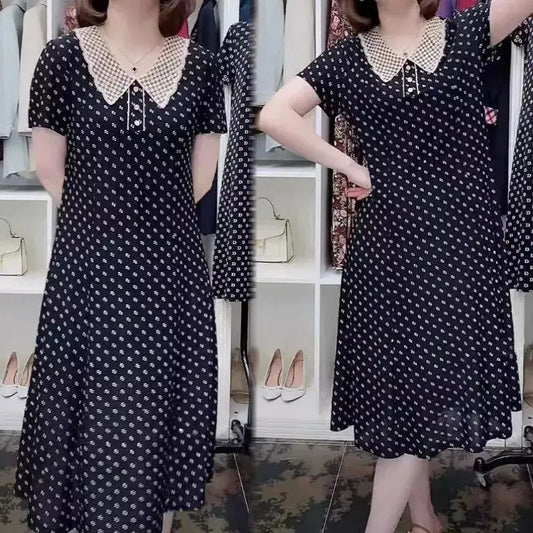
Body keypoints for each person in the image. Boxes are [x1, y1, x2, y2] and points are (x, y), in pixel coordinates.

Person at [258, 1, 532, 532]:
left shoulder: (465, 33)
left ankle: (422, 518)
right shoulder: (348, 58)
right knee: (409, 396)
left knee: (420, 391)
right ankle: (420, 519)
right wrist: (352, 165)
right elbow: (273, 115)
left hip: (458, 252)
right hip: (390, 253)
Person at [13, 1, 227, 532]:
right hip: (90, 270)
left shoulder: (201, 65)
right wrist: (111, 226)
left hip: (170, 273)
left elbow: (202, 175)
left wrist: (145, 228)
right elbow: (49, 168)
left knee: (161, 410)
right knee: (97, 414)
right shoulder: (61, 58)